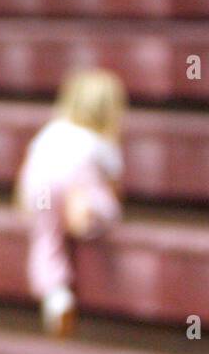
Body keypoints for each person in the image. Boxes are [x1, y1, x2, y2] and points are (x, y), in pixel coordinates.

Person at [14, 68, 127, 337]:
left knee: (46, 240)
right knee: (108, 207)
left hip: (40, 186)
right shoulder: (101, 142)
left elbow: (27, 171)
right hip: (77, 184)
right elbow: (114, 186)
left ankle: (56, 296)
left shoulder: (51, 131)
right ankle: (85, 216)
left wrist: (24, 203)